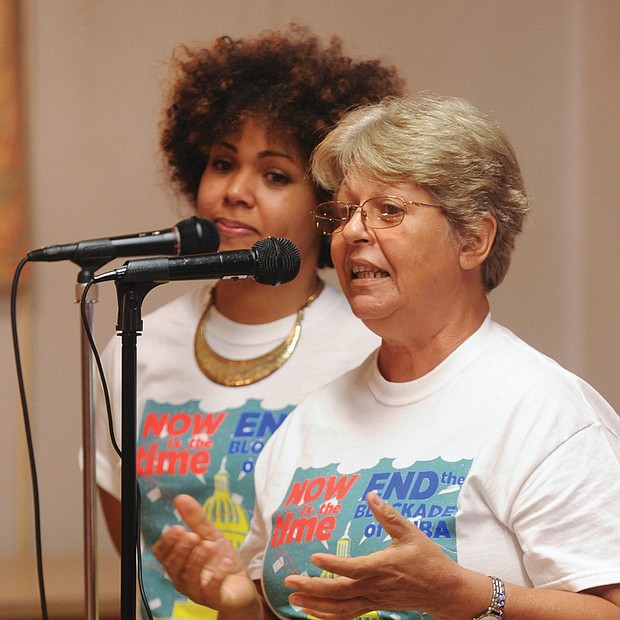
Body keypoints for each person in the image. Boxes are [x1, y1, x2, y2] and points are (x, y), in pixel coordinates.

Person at [152, 94, 620, 619]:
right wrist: (237, 603)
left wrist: (467, 596)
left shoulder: (549, 415)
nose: (351, 232)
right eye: (345, 213)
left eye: (388, 211)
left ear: (473, 239)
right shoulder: (307, 426)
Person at [94, 25, 404, 620]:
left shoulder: (373, 346)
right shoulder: (137, 345)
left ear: (326, 206)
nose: (236, 191)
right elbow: (138, 556)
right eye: (221, 162)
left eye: (275, 174)